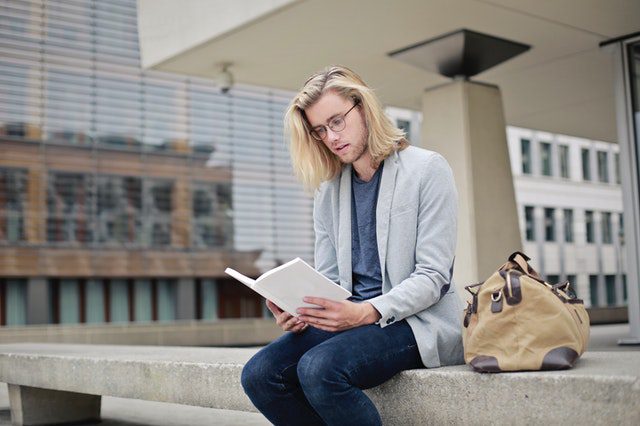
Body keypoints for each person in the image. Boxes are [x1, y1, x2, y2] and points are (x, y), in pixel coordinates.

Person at [241, 65, 464, 426]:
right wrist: (300, 308)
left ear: (363, 108)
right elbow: (329, 279)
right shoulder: (329, 191)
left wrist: (367, 312)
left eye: (336, 122)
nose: (330, 137)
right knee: (260, 375)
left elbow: (434, 277)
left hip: (415, 321)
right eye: (319, 130)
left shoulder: (427, 169)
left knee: (319, 370)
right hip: (350, 320)